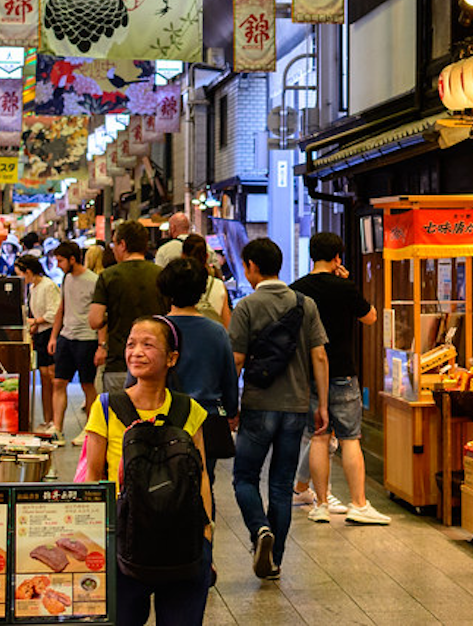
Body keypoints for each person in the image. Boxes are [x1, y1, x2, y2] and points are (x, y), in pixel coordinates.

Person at [84, 316, 213, 625]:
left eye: (147, 345)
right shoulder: (105, 407)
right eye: (131, 344)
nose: (136, 352)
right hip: (124, 540)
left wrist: (207, 537)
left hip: (182, 541)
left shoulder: (188, 409)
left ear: (172, 358)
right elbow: (93, 477)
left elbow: (203, 475)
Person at [229, 238, 329, 580]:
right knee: (281, 485)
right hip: (295, 407)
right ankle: (274, 562)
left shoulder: (246, 306)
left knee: (244, 477)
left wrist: (231, 406)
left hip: (258, 405)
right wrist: (323, 404)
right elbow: (319, 356)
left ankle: (259, 530)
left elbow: (237, 361)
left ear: (252, 266)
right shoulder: (306, 304)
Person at [290, 232, 388, 525]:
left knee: (318, 435)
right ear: (337, 258)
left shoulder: (297, 289)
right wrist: (348, 283)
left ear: (312, 255)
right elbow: (370, 317)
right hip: (343, 372)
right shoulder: (344, 287)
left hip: (310, 374)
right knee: (349, 438)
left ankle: (320, 504)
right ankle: (358, 504)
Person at [161, 257, 239, 490]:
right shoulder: (216, 331)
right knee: (204, 480)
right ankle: (205, 525)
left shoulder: (158, 329)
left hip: (165, 417)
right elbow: (229, 377)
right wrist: (232, 411)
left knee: (168, 482)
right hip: (207, 418)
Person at [89, 221, 165, 396]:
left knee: (119, 418)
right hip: (156, 363)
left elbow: (95, 320)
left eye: (115, 244)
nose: (114, 249)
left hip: (119, 360)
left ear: (122, 244)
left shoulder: (108, 276)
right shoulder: (161, 274)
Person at [48, 240, 99, 444]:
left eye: (60, 261)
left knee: (88, 385)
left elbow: (100, 314)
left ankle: (89, 430)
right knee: (59, 382)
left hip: (87, 339)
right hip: (66, 338)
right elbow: (62, 308)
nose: (58, 265)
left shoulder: (93, 280)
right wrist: (54, 336)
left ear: (72, 259)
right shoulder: (67, 279)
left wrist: (102, 344)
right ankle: (57, 428)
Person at [16, 254, 61, 433]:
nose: (21, 278)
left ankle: (54, 421)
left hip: (50, 333)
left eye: (21, 274)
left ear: (29, 271)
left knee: (51, 376)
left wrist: (35, 321)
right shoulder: (33, 287)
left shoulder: (48, 286)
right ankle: (47, 419)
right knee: (44, 377)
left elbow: (54, 312)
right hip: (40, 334)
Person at [183, 234, 231, 328]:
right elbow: (227, 323)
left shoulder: (177, 284)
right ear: (206, 256)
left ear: (182, 256)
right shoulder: (218, 285)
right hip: (212, 337)